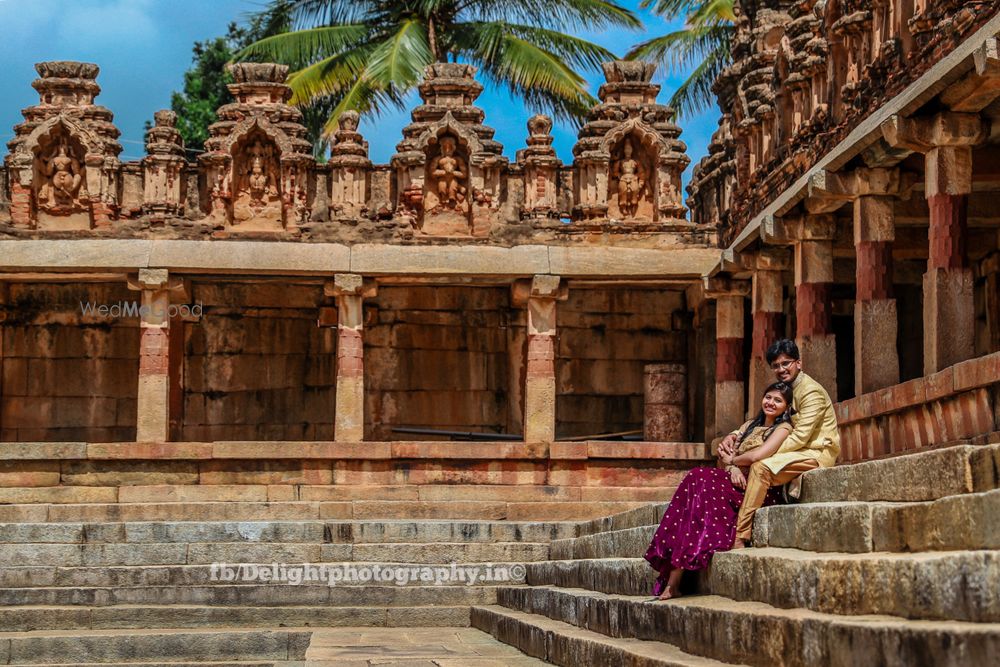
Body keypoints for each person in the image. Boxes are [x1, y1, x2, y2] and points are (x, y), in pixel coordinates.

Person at [644, 382, 795, 600]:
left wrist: (732, 461)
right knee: (696, 479)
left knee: (700, 479)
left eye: (778, 400)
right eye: (768, 397)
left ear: (787, 407)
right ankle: (674, 580)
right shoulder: (750, 425)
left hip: (756, 488)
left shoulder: (783, 429)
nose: (771, 403)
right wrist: (732, 466)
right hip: (735, 480)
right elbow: (723, 454)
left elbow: (757, 456)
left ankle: (675, 580)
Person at [720, 338, 840, 549]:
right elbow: (765, 420)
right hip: (792, 451)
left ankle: (740, 535)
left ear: (798, 363)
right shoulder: (786, 390)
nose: (781, 369)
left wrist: (760, 452)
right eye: (776, 366)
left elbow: (800, 436)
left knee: (760, 467)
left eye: (786, 363)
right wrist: (734, 434)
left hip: (815, 452)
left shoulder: (810, 391)